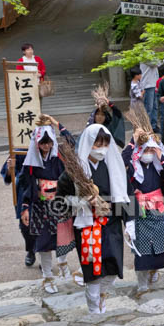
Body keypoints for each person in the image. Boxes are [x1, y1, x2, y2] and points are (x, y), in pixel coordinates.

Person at [58, 124, 129, 314]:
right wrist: (81, 201)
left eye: (105, 144)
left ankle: (101, 296)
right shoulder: (75, 172)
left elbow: (125, 193)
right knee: (93, 270)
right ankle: (93, 307)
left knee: (113, 267)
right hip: (88, 225)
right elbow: (59, 200)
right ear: (88, 144)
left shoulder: (113, 166)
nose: (101, 149)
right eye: (97, 145)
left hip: (111, 223)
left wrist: (129, 222)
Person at [18, 118, 81, 293]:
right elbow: (27, 186)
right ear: (37, 143)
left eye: (49, 142)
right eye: (42, 143)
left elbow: (71, 142)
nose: (46, 146)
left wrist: (57, 123)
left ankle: (63, 266)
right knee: (44, 243)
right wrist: (25, 207)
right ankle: (47, 276)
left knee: (62, 239)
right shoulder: (31, 163)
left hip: (59, 203)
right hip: (40, 206)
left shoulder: (59, 156)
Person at [124, 133, 164, 296]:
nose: (148, 153)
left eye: (151, 150)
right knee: (143, 252)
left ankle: (154, 271)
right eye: (145, 150)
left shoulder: (158, 166)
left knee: (161, 250)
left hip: (157, 210)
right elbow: (122, 164)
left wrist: (161, 157)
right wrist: (132, 143)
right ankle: (142, 285)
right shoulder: (133, 168)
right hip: (140, 214)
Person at [1, 152, 32, 266]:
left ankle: (43, 253)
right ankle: (30, 250)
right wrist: (10, 167)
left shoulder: (48, 146)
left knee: (43, 223)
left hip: (42, 189)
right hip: (23, 190)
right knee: (25, 224)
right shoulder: (19, 151)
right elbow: (8, 177)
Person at [140, 59, 160, 131]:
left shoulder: (152, 54)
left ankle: (153, 126)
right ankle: (146, 127)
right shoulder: (145, 55)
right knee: (149, 108)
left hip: (154, 84)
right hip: (147, 85)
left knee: (155, 107)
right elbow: (156, 63)